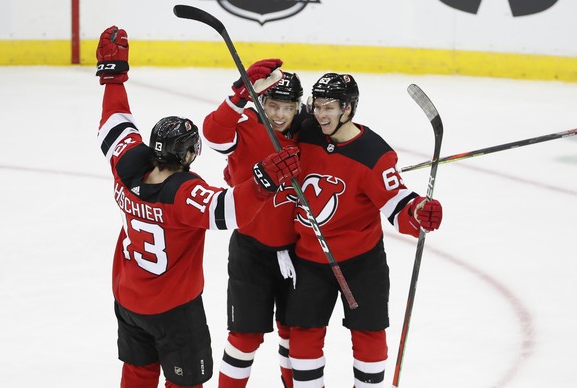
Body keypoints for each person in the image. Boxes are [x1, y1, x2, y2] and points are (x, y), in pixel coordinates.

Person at [95, 26, 300, 388]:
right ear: (187, 154)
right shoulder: (185, 195)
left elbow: (115, 122)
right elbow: (230, 211)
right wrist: (264, 182)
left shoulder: (125, 167)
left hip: (127, 302)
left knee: (137, 374)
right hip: (173, 310)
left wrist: (113, 77)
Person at [284, 73, 444, 387]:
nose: (321, 113)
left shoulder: (375, 154)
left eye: (329, 107)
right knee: (303, 332)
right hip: (310, 257)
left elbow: (398, 205)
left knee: (369, 332)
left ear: (349, 108)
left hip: (361, 261)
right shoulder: (306, 132)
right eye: (317, 105)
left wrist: (419, 212)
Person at [202, 60, 308, 387]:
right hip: (251, 252)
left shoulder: (311, 133)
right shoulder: (247, 123)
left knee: (294, 336)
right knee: (244, 337)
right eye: (271, 105)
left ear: (298, 107)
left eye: (286, 108)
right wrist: (238, 96)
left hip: (298, 252)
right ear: (261, 102)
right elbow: (214, 135)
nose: (277, 114)